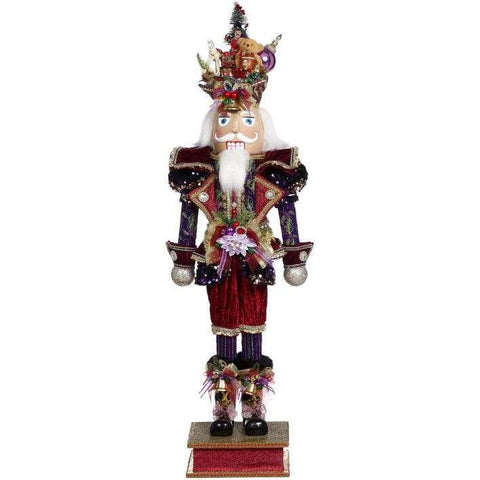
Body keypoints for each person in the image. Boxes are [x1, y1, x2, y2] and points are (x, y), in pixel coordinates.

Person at [167, 4, 313, 438]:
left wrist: (293, 257)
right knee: (222, 324)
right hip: (216, 261)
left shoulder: (274, 173)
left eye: (247, 121)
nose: (234, 131)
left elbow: (287, 211)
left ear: (262, 128)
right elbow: (188, 213)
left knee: (254, 322)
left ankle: (253, 404)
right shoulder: (198, 172)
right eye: (226, 121)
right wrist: (184, 257)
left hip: (255, 261)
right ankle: (222, 403)